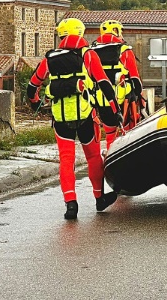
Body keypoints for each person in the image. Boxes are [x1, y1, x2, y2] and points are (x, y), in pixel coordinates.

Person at [26, 18, 122, 220]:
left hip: (61, 118)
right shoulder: (87, 54)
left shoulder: (50, 58)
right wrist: (115, 109)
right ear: (79, 33)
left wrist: (35, 103)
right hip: (86, 115)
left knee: (66, 161)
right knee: (93, 157)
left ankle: (71, 205)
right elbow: (104, 83)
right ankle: (99, 198)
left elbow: (32, 86)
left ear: (60, 36)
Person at [91, 19, 143, 148]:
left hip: (101, 98)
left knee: (109, 133)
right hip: (124, 99)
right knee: (126, 133)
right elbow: (135, 78)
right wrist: (139, 97)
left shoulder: (91, 51)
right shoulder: (124, 50)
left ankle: (109, 154)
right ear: (116, 30)